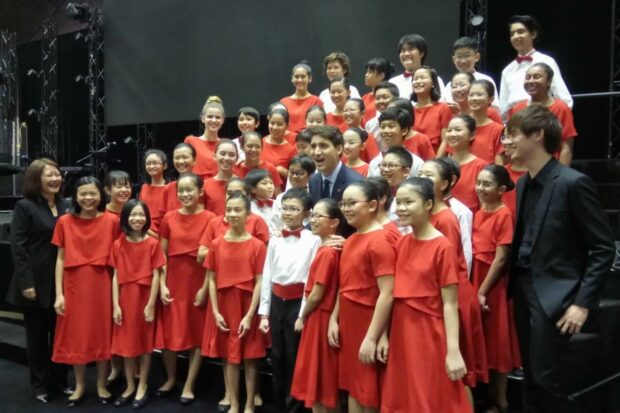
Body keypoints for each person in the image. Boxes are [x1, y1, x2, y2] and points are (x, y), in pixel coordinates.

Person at [506, 104, 614, 411]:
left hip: (557, 295)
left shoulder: (572, 182)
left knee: (547, 379)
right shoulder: (523, 182)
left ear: (537, 135)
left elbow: (603, 248)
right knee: (530, 377)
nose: (507, 142)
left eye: (513, 134)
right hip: (523, 289)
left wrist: (582, 303)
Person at [382, 177, 471, 413]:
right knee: (405, 396)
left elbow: (450, 304)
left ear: (428, 204)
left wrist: (453, 351)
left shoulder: (442, 247)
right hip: (402, 330)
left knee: (430, 396)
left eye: (408, 202)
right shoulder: (403, 243)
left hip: (429, 334)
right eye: (398, 202)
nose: (401, 208)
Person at [419, 159, 489, 397]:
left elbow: (450, 265)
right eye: (421, 174)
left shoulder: (446, 218)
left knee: (458, 375)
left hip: (452, 295)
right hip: (439, 293)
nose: (422, 178)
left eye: (429, 175)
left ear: (445, 184)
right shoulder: (427, 214)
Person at [51, 176, 120, 406]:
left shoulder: (112, 221)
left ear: (101, 195)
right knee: (76, 336)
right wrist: (59, 294)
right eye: (83, 194)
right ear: (75, 196)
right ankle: (80, 385)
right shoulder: (64, 222)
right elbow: (60, 259)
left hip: (103, 283)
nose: (88, 198)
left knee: (102, 333)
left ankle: (101, 384)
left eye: (93, 193)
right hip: (73, 284)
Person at [7, 158, 71, 404]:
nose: (56, 179)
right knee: (36, 338)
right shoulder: (25, 206)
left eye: (57, 174)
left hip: (62, 283)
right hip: (34, 283)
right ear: (36, 179)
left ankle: (60, 381)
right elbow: (18, 248)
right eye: (50, 175)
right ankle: (40, 385)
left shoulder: (66, 205)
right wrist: (26, 284)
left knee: (60, 335)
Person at [328, 180, 396, 412]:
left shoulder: (380, 241)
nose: (346, 208)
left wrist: (373, 336)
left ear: (373, 205)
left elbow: (388, 292)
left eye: (352, 203)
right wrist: (333, 319)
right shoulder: (354, 238)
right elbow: (345, 285)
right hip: (349, 321)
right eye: (343, 203)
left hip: (368, 322)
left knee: (369, 391)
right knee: (353, 386)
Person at [200, 192, 267, 413]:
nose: (232, 214)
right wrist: (216, 312)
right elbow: (211, 278)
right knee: (229, 357)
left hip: (248, 305)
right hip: (224, 305)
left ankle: (249, 404)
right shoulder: (217, 244)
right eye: (229, 210)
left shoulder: (257, 246)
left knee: (250, 358)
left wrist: (250, 315)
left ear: (248, 214)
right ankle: (234, 403)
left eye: (238, 210)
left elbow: (260, 282)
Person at [258, 188, 321, 412]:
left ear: (306, 213)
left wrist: (303, 314)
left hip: (298, 303)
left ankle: (295, 404)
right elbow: (267, 275)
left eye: (294, 209)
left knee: (295, 355)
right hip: (277, 301)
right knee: (277, 355)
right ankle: (279, 402)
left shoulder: (314, 240)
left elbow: (310, 280)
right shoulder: (275, 240)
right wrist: (264, 312)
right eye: (285, 208)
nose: (288, 213)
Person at [156, 173, 216, 405]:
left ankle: (189, 384)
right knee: (171, 333)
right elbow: (161, 256)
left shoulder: (212, 218)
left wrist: (204, 289)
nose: (184, 194)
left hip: (199, 280)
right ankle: (171, 379)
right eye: (181, 190)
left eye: (190, 190)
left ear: (201, 192)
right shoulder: (169, 218)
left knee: (196, 333)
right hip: (173, 280)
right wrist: (161, 284)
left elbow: (213, 259)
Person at [472, 166, 521, 413]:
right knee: (483, 340)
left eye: (487, 184)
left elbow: (501, 258)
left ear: (501, 189)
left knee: (498, 341)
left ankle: (501, 400)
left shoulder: (503, 214)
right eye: (478, 183)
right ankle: (488, 396)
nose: (480, 188)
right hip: (477, 278)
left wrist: (482, 290)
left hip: (492, 283)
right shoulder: (479, 212)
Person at [110, 200, 166, 408]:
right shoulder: (118, 244)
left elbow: (157, 275)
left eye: (141, 215)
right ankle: (130, 385)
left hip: (144, 299)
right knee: (126, 345)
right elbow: (115, 276)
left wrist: (151, 304)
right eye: (132, 215)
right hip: (125, 300)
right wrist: (115, 305)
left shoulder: (153, 244)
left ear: (147, 219)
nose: (137, 219)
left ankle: (143, 385)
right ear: (125, 218)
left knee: (144, 345)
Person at [291, 198, 344, 413]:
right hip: (323, 316)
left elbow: (316, 294)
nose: (312, 220)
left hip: (319, 318)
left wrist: (302, 316)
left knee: (320, 383)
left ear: (334, 222)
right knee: (322, 381)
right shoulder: (329, 248)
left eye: (318, 216)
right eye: (312, 215)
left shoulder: (328, 252)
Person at [498, 15, 572, 118]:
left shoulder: (547, 61)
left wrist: (552, 125)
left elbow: (565, 99)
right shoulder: (507, 70)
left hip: (542, 118)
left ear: (533, 34)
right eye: (512, 34)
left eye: (520, 31)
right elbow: (503, 108)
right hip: (516, 122)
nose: (515, 36)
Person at [508, 62, 577, 165]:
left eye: (537, 77)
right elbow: (511, 143)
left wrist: (559, 177)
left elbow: (566, 147)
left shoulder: (560, 108)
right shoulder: (517, 108)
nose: (531, 81)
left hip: (550, 169)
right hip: (522, 168)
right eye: (528, 77)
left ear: (548, 82)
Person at [308, 125, 363, 204]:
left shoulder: (356, 183)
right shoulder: (313, 181)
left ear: (339, 149)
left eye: (323, 146)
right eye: (313, 147)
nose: (316, 152)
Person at [447, 115, 488, 212]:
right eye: (449, 130)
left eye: (458, 130)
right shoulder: (441, 165)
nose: (452, 134)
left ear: (472, 135)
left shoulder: (481, 166)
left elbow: (484, 205)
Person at [367, 106, 424, 178]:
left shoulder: (417, 163)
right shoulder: (374, 163)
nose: (385, 131)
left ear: (404, 131)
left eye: (391, 126)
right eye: (382, 127)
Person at [411, 66, 453, 157]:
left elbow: (446, 140)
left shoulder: (443, 108)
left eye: (422, 77)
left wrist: (435, 165)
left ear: (433, 83)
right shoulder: (409, 110)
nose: (418, 81)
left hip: (436, 160)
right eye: (415, 79)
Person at [390, 33, 446, 100]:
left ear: (421, 53)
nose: (406, 53)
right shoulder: (393, 82)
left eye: (410, 49)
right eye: (403, 50)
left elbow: (441, 102)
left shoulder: (433, 79)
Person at [445, 36, 499, 106]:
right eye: (459, 57)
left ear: (477, 57)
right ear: (453, 59)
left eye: (467, 56)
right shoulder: (450, 85)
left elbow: (494, 108)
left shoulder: (486, 80)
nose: (463, 61)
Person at [184, 96, 225, 179]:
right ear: (203, 118)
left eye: (217, 117)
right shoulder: (191, 141)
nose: (213, 120)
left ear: (222, 120)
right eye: (210, 116)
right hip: (197, 188)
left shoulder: (226, 144)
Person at [467, 80, 504, 164]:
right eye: (471, 95)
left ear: (491, 99)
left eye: (479, 94)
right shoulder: (462, 125)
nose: (474, 98)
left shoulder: (498, 130)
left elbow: (499, 162)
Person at [281, 61, 323, 133]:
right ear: (292, 79)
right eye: (296, 77)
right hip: (289, 141)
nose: (299, 80)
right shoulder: (284, 102)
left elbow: (321, 126)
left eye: (303, 77)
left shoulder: (316, 101)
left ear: (310, 78)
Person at [261, 108, 298, 181]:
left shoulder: (291, 150)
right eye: (272, 123)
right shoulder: (260, 142)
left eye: (279, 124)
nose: (275, 127)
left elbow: (296, 176)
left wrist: (281, 170)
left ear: (287, 126)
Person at [204, 139, 239, 216]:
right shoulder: (205, 185)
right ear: (214, 156)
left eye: (231, 155)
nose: (226, 158)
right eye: (222, 154)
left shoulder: (242, 184)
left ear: (237, 158)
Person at [139, 149, 168, 236]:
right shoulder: (144, 187)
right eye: (148, 164)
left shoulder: (170, 188)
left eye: (155, 163)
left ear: (165, 166)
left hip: (163, 233)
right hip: (144, 230)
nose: (151, 166)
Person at [342, 98, 380, 163]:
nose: (347, 113)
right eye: (345, 110)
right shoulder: (341, 135)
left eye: (351, 110)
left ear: (362, 113)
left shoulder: (367, 137)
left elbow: (375, 163)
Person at [364, 81, 399, 146]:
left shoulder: (403, 121)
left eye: (385, 97)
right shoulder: (370, 125)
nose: (381, 101)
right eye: (377, 98)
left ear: (396, 98)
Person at [245, 168, 278, 236]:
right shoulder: (250, 207)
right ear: (253, 189)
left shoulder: (277, 203)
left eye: (271, 183)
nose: (270, 186)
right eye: (264, 183)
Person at [362, 57, 395, 124]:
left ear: (381, 75)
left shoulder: (391, 97)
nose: (366, 75)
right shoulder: (364, 98)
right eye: (367, 72)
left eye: (370, 72)